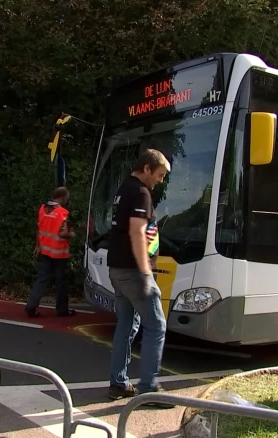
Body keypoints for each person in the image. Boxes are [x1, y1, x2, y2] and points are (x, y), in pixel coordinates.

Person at [105, 149, 173, 408]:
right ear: (146, 168)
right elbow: (137, 233)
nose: (160, 180)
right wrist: (146, 272)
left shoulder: (124, 189)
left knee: (126, 324)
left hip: (118, 270)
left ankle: (119, 384)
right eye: (159, 174)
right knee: (156, 326)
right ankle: (148, 389)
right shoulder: (140, 193)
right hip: (134, 272)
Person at [24, 187, 76, 317]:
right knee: (61, 281)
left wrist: (37, 245)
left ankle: (31, 305)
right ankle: (62, 309)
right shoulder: (63, 213)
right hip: (59, 252)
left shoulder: (42, 209)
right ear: (63, 197)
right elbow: (63, 233)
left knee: (42, 279)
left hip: (45, 250)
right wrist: (72, 234)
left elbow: (39, 229)